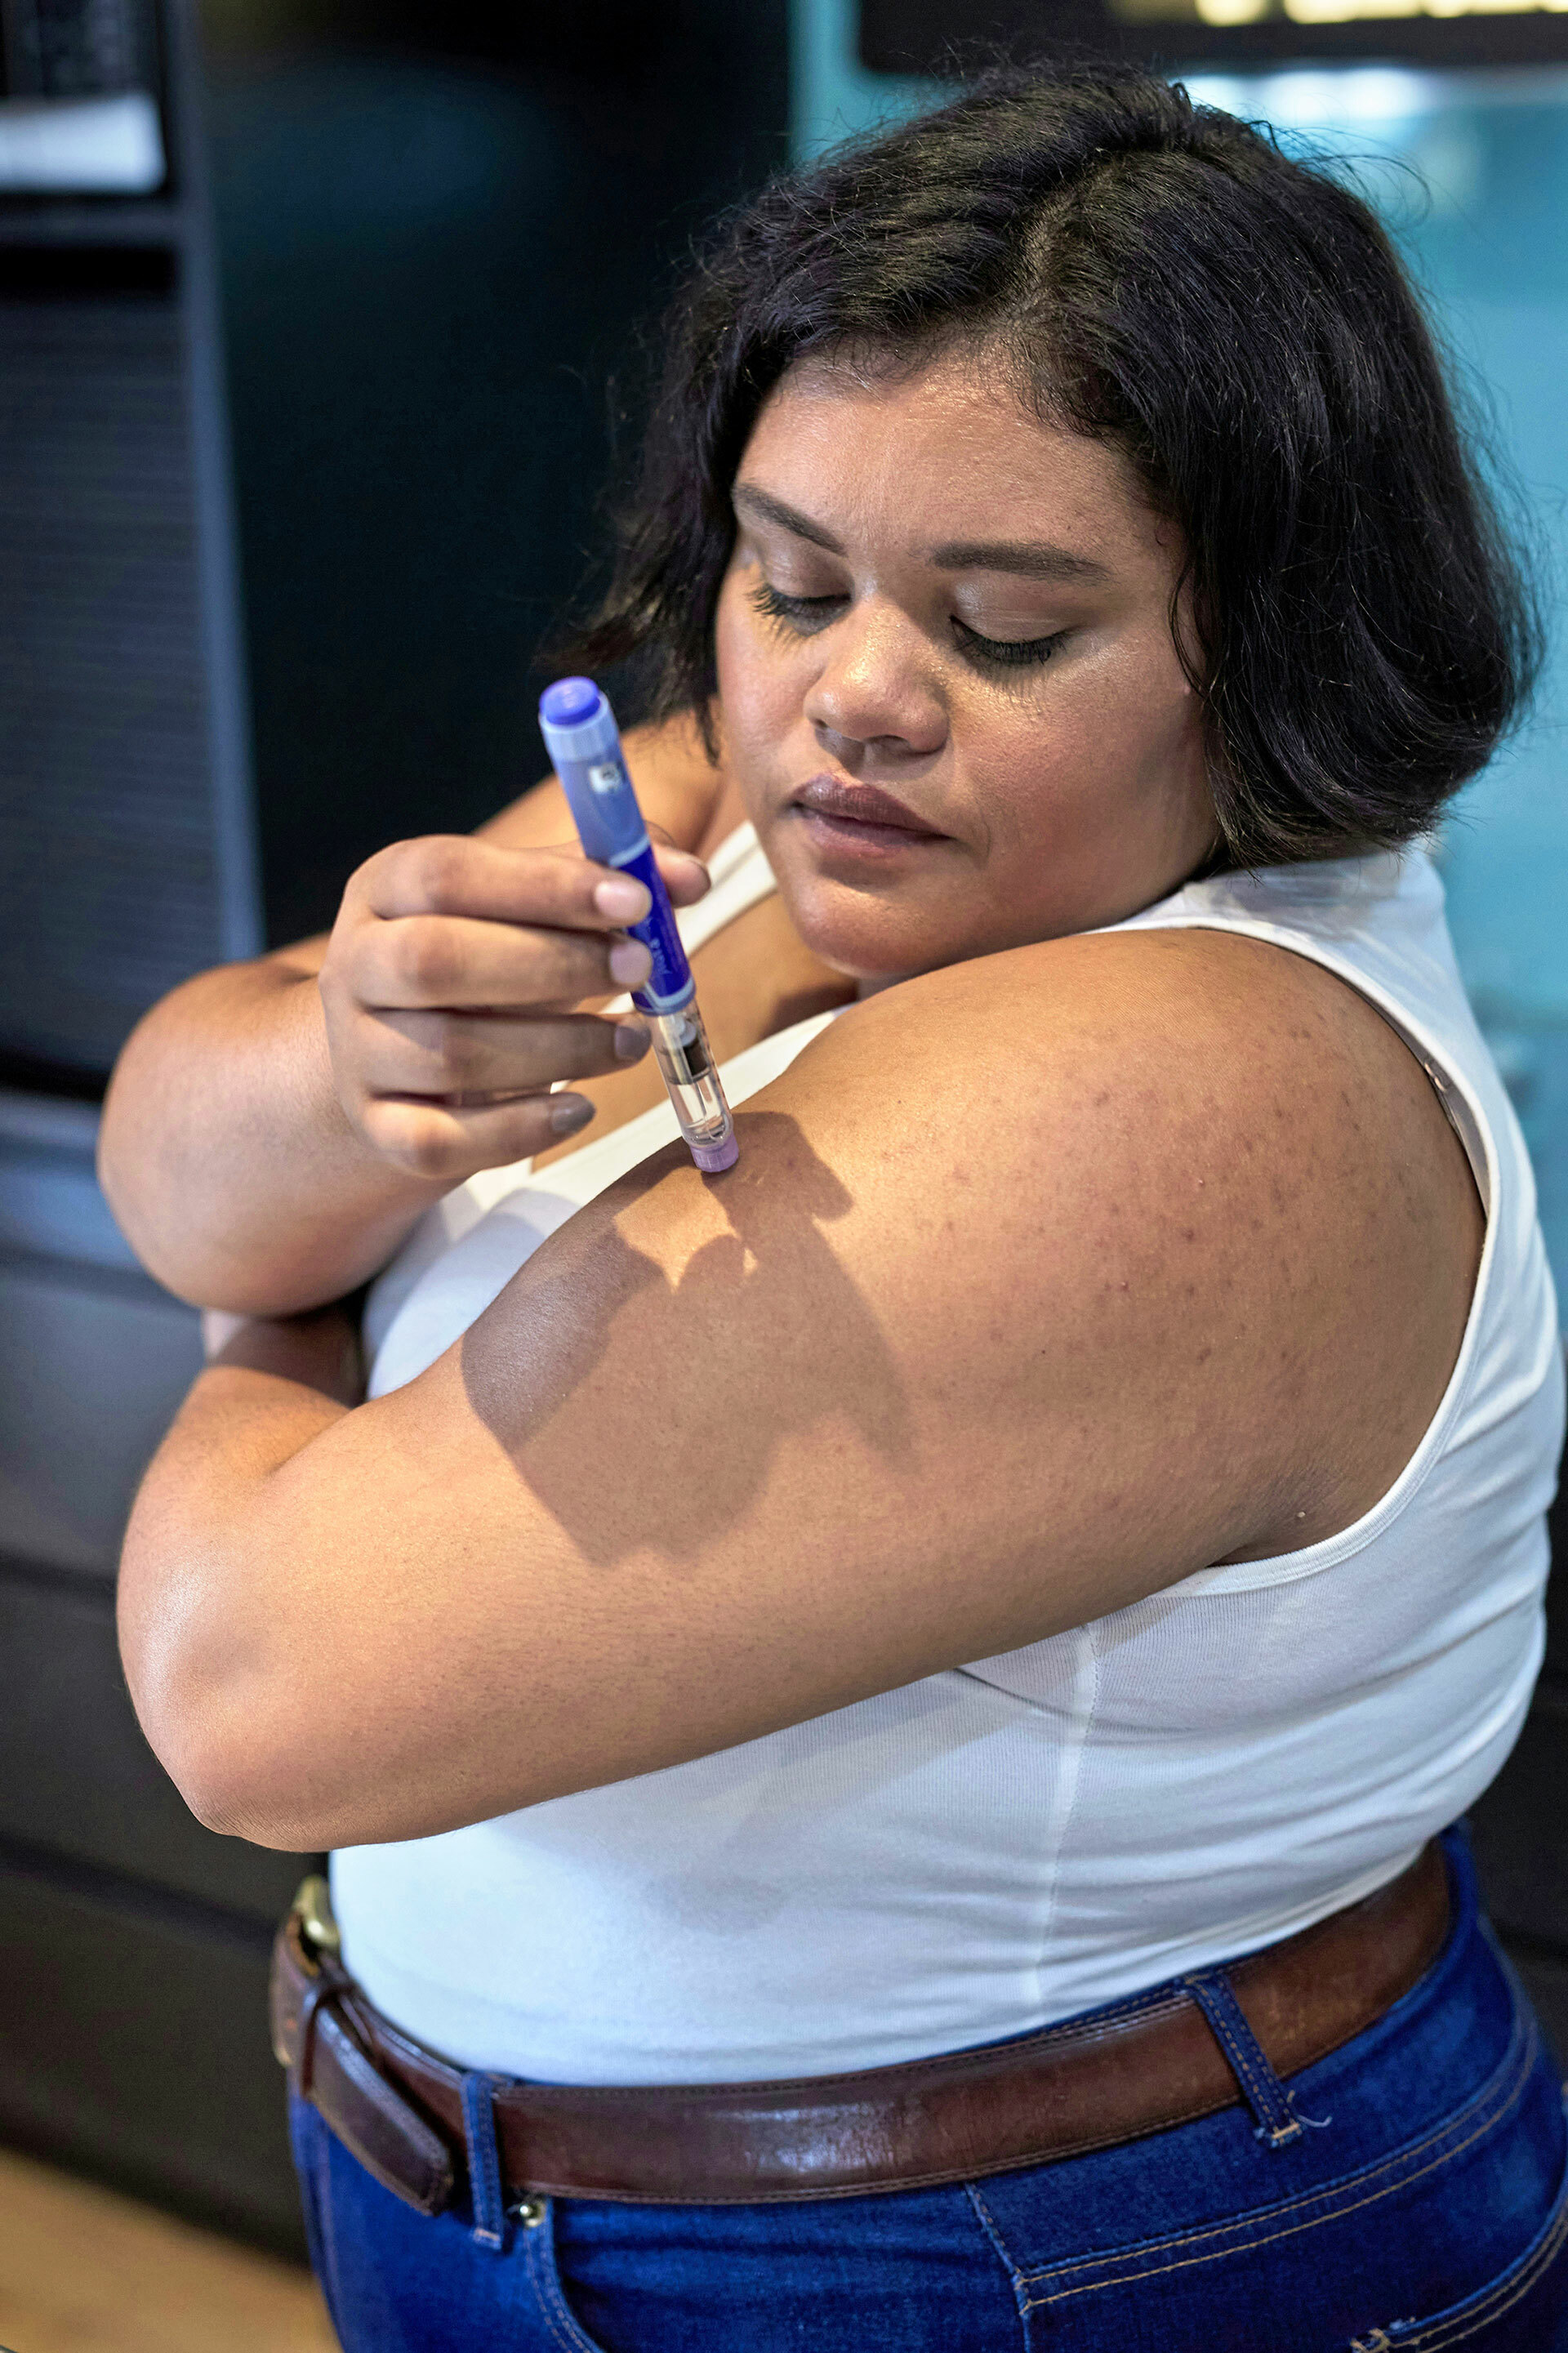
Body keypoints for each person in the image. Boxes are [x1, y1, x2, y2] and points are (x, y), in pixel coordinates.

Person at [102, 63, 1566, 2351]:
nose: (852, 695)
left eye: (1008, 629)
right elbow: (176, 1143)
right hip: (524, 2201)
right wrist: (338, 1067)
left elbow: (244, 1688)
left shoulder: (1170, 1094)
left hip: (989, 2262)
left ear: (1273, 642)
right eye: (790, 578)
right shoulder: (777, 793)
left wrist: (283, 1298)